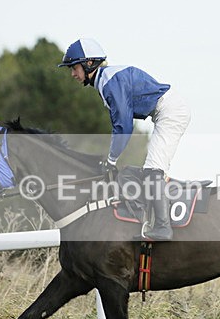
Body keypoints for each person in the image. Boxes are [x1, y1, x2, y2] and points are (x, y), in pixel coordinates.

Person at [58, 38, 191, 241]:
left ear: (89, 64)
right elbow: (119, 126)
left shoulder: (110, 82)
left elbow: (123, 126)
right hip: (166, 111)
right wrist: (112, 159)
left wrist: (111, 160)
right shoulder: (106, 80)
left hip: (171, 111)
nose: (73, 74)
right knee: (130, 172)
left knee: (154, 169)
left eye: (74, 68)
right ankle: (145, 218)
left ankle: (163, 228)